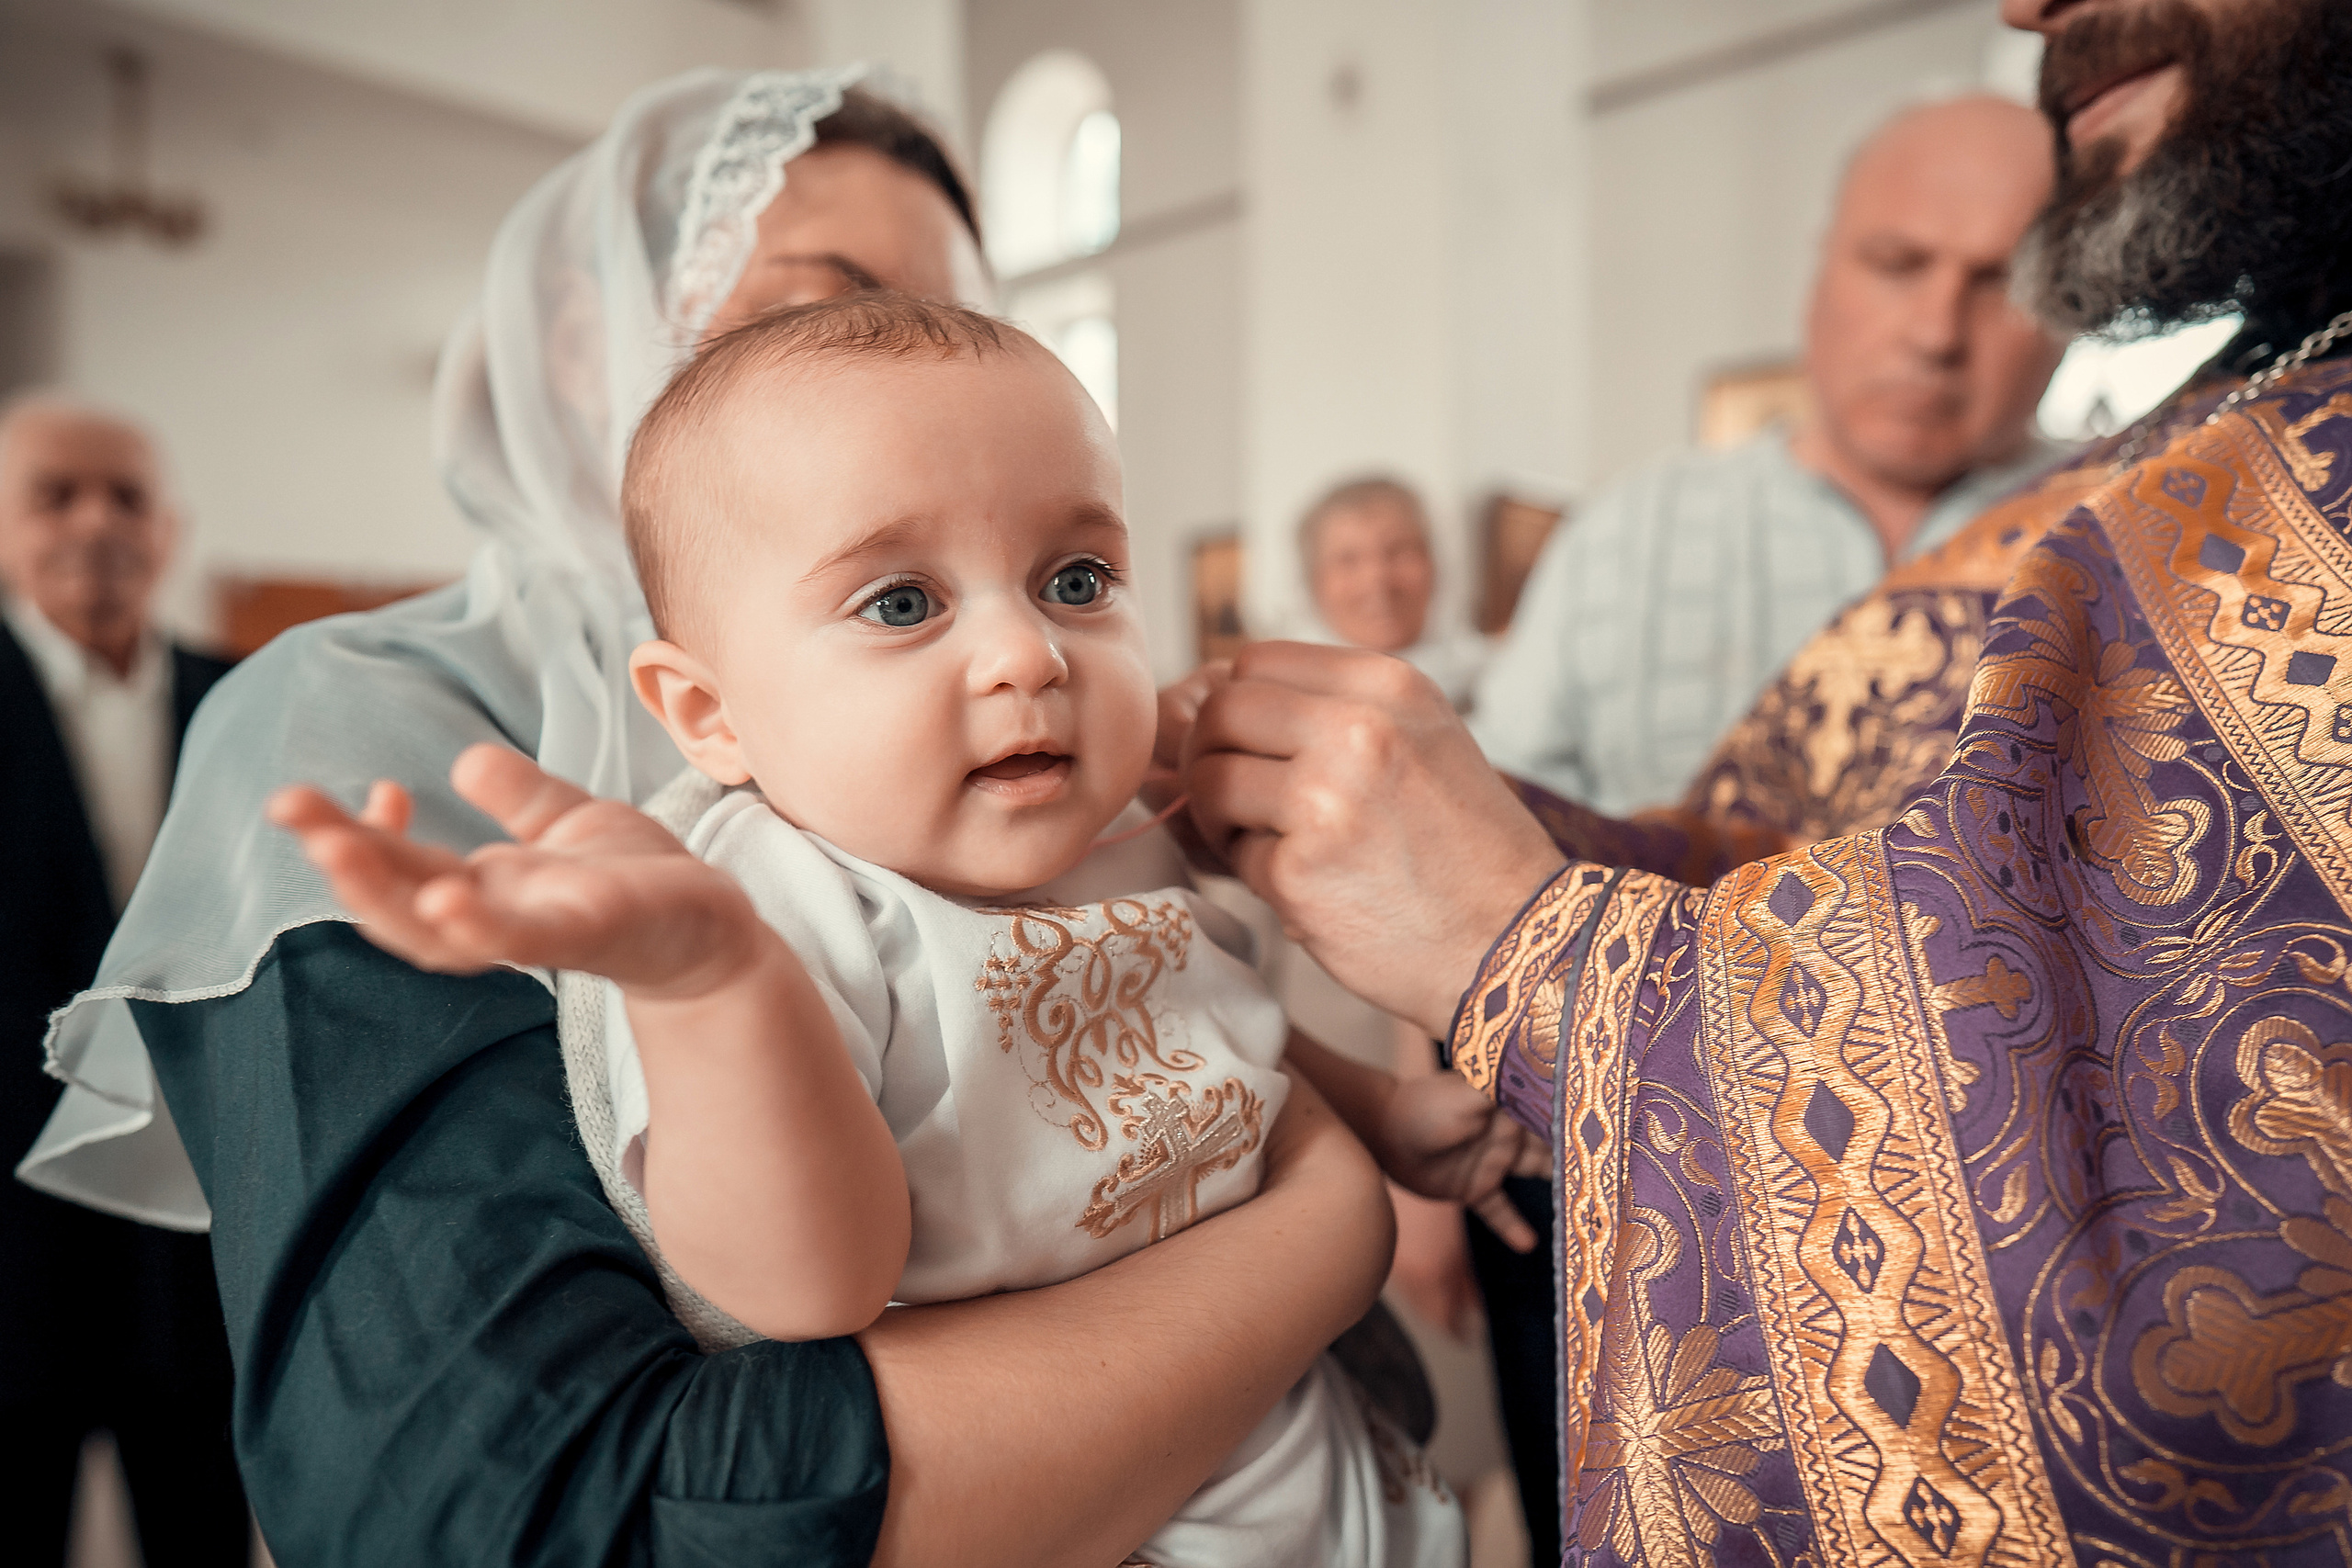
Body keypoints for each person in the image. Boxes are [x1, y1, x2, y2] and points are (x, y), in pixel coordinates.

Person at [16, 73, 1399, 1567]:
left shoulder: (1025, 753)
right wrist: (1326, 1233)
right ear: (582, 332)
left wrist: (1357, 1121)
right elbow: (517, 1504)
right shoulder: (366, 717)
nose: (899, 393)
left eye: (1074, 579)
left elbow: (1163, 1020)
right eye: (825, 311)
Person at [1177, 0, 2352, 1560]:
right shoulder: (2196, 443)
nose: (2026, 7)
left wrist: (1532, 945)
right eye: (1892, 265)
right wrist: (1464, 889)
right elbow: (1883, 871)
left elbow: (2206, 1137)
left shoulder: (2121, 491)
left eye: (1987, 281)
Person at [272, 292, 1555, 1566]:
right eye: (901, 602)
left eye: (1076, 578)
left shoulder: (1108, 831)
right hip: (1092, 1504)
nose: (1028, 652)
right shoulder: (784, 896)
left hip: (1312, 1462)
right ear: (710, 713)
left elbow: (1208, 1036)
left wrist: (1378, 1118)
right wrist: (711, 985)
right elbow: (803, 1286)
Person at [1473, 94, 2068, 816]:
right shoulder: (1622, 533)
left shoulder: (2126, 531)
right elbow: (1499, 829)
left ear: (2070, 310)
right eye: (1896, 263)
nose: (1937, 332)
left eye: (2001, 281)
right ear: (1820, 274)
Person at [0, 396, 245, 1567]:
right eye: (55, 492)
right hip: (4, 1224)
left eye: (127, 495)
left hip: (194, 1225)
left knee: (200, 1519)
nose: (96, 520)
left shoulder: (247, 705)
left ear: (172, 528)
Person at [1300, 476, 1488, 710]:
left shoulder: (1494, 682)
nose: (1377, 579)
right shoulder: (1286, 696)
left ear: (1434, 565)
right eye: (1348, 560)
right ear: (1314, 583)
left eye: (1399, 551)